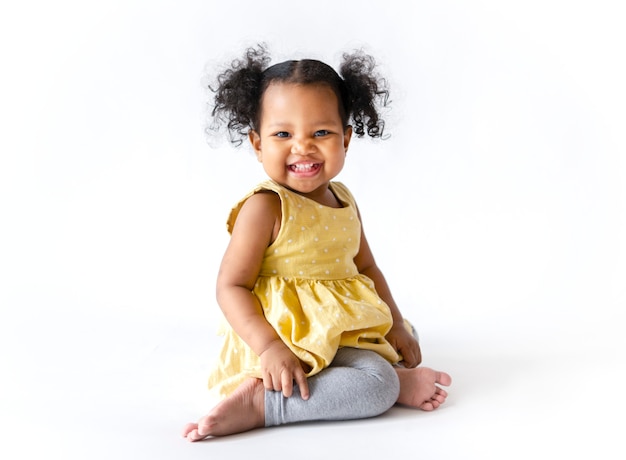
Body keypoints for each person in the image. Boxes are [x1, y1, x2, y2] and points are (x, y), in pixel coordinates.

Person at [182, 45, 451, 441]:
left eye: (321, 133)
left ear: (346, 138)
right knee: (375, 385)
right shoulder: (266, 206)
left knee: (408, 333)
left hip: (335, 325)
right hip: (284, 333)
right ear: (258, 144)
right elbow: (230, 286)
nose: (303, 146)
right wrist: (270, 347)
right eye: (283, 134)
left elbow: (367, 268)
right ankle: (265, 403)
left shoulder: (343, 198)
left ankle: (387, 376)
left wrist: (394, 322)